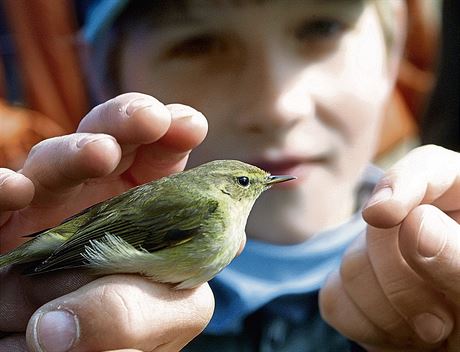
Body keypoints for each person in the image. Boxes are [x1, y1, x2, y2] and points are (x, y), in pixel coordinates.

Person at [1, 1, 459, 351]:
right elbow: (112, 239)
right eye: (198, 44)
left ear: (394, 48)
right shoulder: (208, 211)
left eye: (322, 26)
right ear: (100, 73)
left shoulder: (435, 236)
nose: (277, 108)